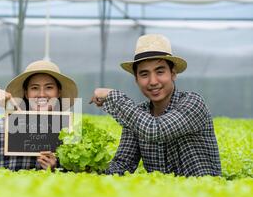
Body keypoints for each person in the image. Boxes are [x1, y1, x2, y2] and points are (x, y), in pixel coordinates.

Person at [90, 34, 222, 177]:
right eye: (144, 74)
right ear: (136, 79)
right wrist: (90, 170)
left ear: (173, 74)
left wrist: (112, 95)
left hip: (202, 196)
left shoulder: (193, 103)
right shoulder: (137, 115)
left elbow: (155, 130)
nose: (153, 81)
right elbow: (123, 164)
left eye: (160, 72)